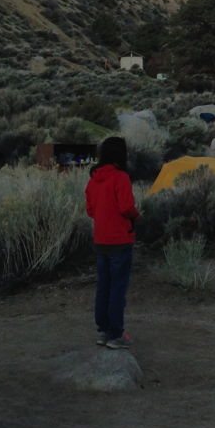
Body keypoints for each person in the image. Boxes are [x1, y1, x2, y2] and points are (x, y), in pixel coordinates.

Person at [85, 137, 140, 349]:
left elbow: (90, 210)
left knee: (104, 287)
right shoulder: (120, 177)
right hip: (120, 240)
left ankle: (103, 331)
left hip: (101, 240)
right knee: (118, 288)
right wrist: (137, 217)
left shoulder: (94, 179)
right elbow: (126, 207)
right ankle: (116, 334)